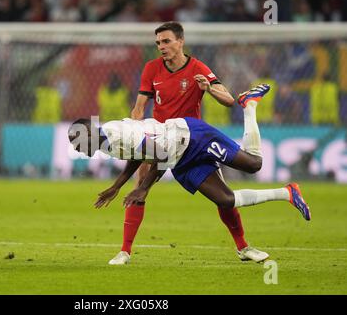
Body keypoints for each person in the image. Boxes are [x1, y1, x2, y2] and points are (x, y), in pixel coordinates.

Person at [68, 84, 311, 263]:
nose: (76, 148)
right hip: (181, 158)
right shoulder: (104, 142)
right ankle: (288, 193)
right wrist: (117, 186)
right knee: (225, 200)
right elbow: (138, 154)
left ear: (88, 135)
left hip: (193, 137)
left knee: (254, 164)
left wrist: (143, 187)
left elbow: (158, 154)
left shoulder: (116, 133)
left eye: (77, 142)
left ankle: (249, 105)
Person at [117, 21, 267, 266]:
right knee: (140, 188)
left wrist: (208, 89)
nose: (161, 47)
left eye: (166, 41)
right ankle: (124, 251)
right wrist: (137, 130)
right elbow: (139, 107)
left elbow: (229, 100)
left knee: (223, 197)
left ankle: (243, 247)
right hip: (160, 138)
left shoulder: (197, 67)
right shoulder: (152, 69)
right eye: (158, 43)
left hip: (193, 140)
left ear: (180, 41)